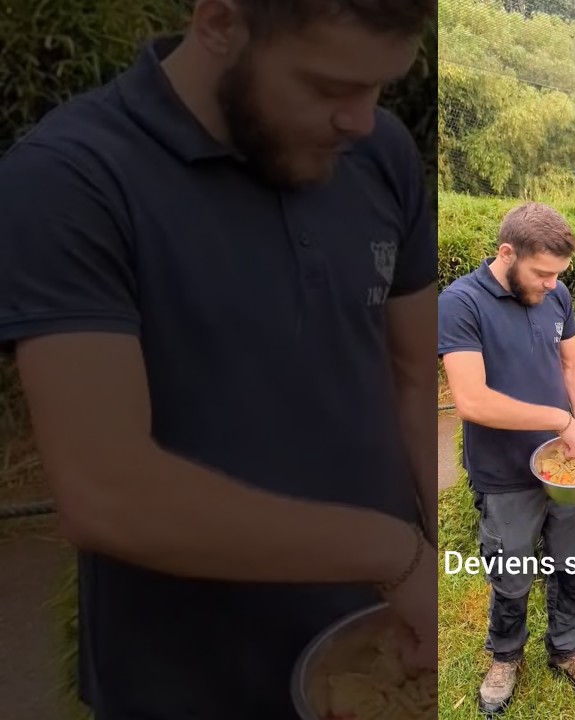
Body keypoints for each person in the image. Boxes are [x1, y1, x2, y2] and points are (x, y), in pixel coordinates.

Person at [0, 1, 438, 717]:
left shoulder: (380, 152)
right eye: (328, 87)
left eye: (380, 85)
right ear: (219, 23)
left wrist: (438, 569)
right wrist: (396, 554)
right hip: (187, 679)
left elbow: (415, 376)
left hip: (386, 649)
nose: (360, 119)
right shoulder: (69, 180)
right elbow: (106, 490)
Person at [438, 202, 575, 714]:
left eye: (559, 274)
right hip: (504, 473)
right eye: (542, 273)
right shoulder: (461, 303)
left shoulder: (556, 293)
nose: (552, 285)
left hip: (568, 469)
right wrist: (557, 420)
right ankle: (505, 657)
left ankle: (568, 650)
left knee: (574, 566)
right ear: (506, 253)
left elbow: (571, 360)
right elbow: (471, 400)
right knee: (511, 573)